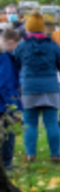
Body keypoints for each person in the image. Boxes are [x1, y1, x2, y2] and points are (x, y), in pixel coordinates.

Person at [18, 11, 60, 164]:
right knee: (51, 123)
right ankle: (55, 154)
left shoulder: (22, 45)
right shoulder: (53, 45)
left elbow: (15, 63)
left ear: (28, 28)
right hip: (50, 88)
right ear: (42, 28)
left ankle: (30, 155)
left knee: (29, 123)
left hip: (29, 88)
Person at [0, 27, 20, 169]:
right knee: (8, 132)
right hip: (3, 102)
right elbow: (6, 83)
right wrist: (12, 106)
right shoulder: (5, 58)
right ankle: (7, 161)